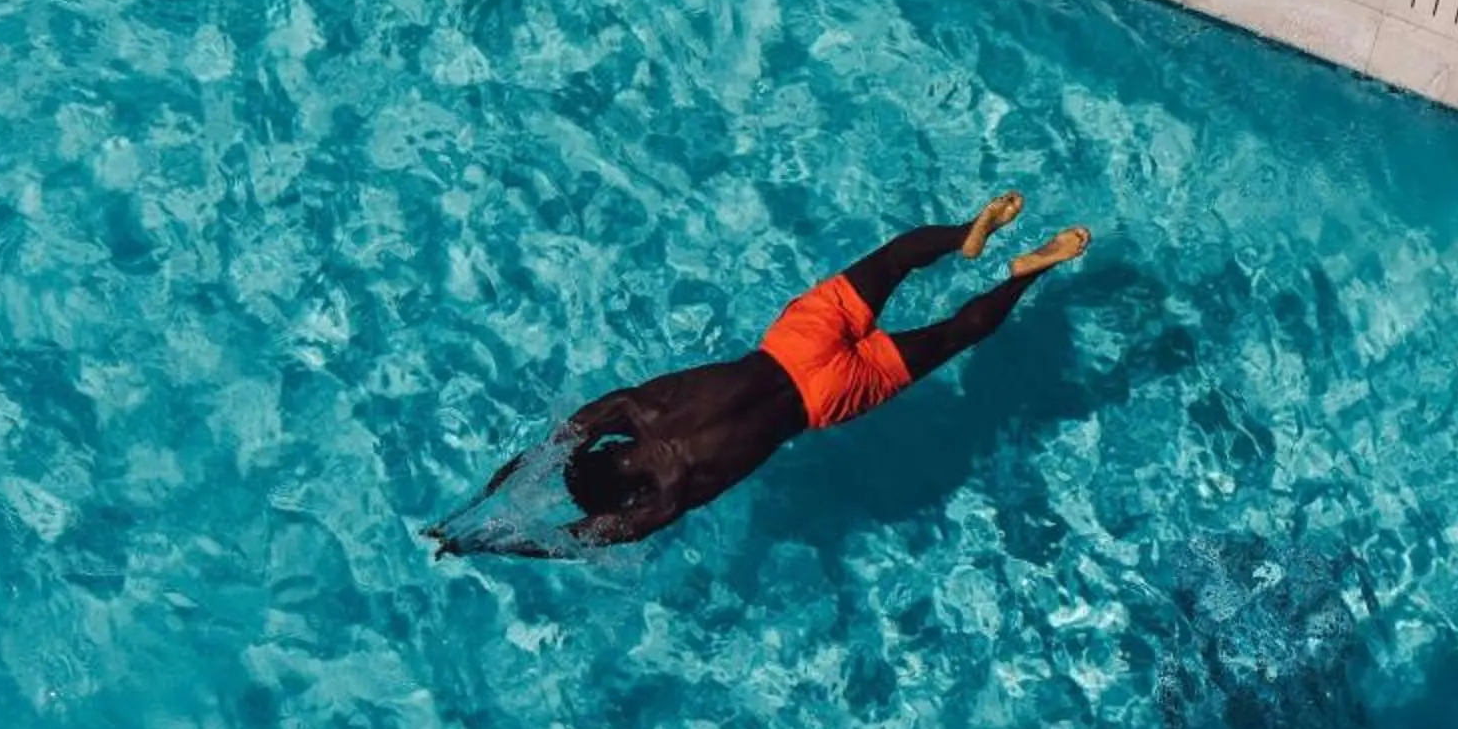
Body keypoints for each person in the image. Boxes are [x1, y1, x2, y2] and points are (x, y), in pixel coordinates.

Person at [430, 196, 1089, 557]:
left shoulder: (673, 490)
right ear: (606, 450)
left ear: (623, 494)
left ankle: (1030, 272)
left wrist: (481, 544)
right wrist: (477, 501)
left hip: (824, 398)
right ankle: (960, 237)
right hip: (793, 346)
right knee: (892, 261)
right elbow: (555, 443)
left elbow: (572, 543)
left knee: (957, 333)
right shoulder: (636, 409)